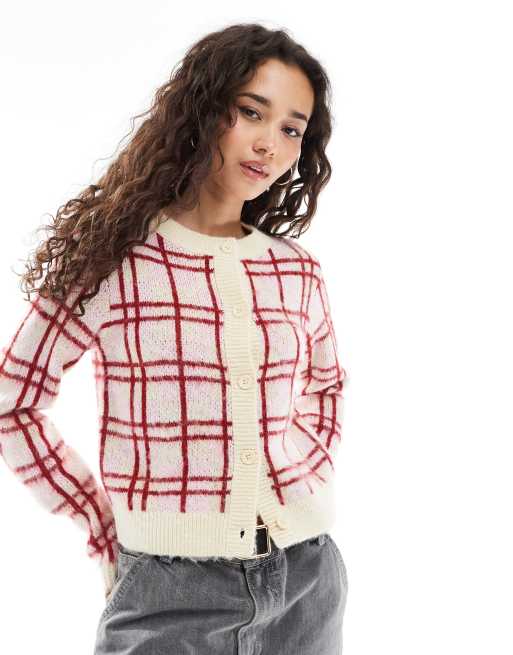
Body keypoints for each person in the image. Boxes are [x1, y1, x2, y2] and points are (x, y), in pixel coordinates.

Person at [0, 22, 349, 654]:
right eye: (251, 112)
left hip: (307, 582)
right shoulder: (112, 261)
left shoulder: (296, 270)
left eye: (291, 129)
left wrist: (306, 476)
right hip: (167, 591)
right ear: (203, 109)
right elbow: (12, 400)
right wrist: (99, 522)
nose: (269, 144)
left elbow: (326, 387)